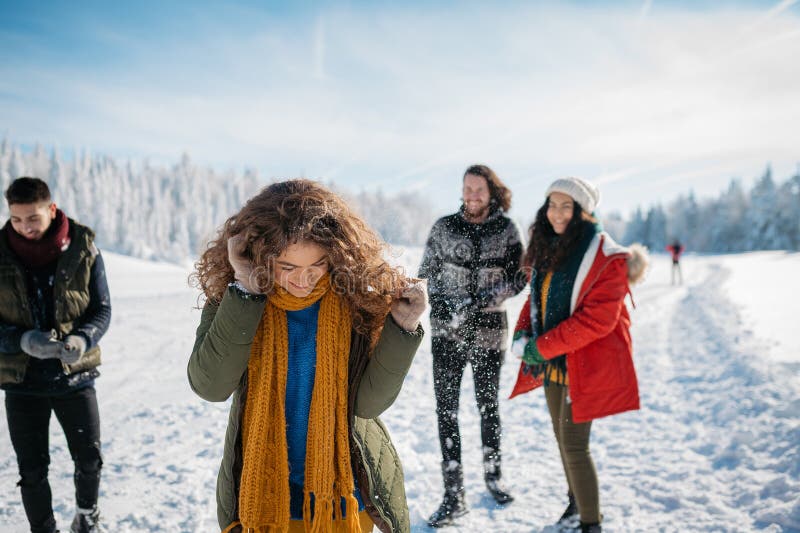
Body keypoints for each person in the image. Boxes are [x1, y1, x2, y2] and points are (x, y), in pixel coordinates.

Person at [187, 179, 426, 533]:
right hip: (265, 499)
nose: (304, 279)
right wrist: (247, 290)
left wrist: (402, 327)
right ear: (262, 256)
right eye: (287, 267)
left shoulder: (357, 299)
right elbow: (210, 386)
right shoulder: (233, 298)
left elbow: (368, 405)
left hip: (343, 496)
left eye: (317, 264)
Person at [508, 177, 646, 533]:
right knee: (561, 436)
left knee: (574, 444)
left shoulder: (605, 256)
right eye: (552, 204)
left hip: (582, 364)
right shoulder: (549, 246)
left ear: (583, 212)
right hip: (553, 361)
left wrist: (541, 347)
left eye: (566, 206)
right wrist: (524, 332)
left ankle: (590, 522)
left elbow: (597, 321)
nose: (556, 213)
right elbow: (535, 298)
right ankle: (576, 503)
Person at [0, 177, 111, 533]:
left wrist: (83, 338)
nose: (24, 228)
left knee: (89, 460)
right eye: (16, 219)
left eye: (32, 218)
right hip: (22, 382)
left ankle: (87, 518)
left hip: (74, 376)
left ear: (51, 209)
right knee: (31, 471)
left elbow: (102, 309)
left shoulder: (83, 247)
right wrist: (22, 340)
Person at [418, 164, 525, 527]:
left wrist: (481, 301)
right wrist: (445, 305)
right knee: (445, 411)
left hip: (490, 333)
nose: (472, 195)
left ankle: (493, 477)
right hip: (446, 333)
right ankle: (453, 493)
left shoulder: (506, 230)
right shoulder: (443, 227)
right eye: (467, 188)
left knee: (487, 406)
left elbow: (518, 277)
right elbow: (427, 273)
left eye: (478, 189)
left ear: (491, 192)